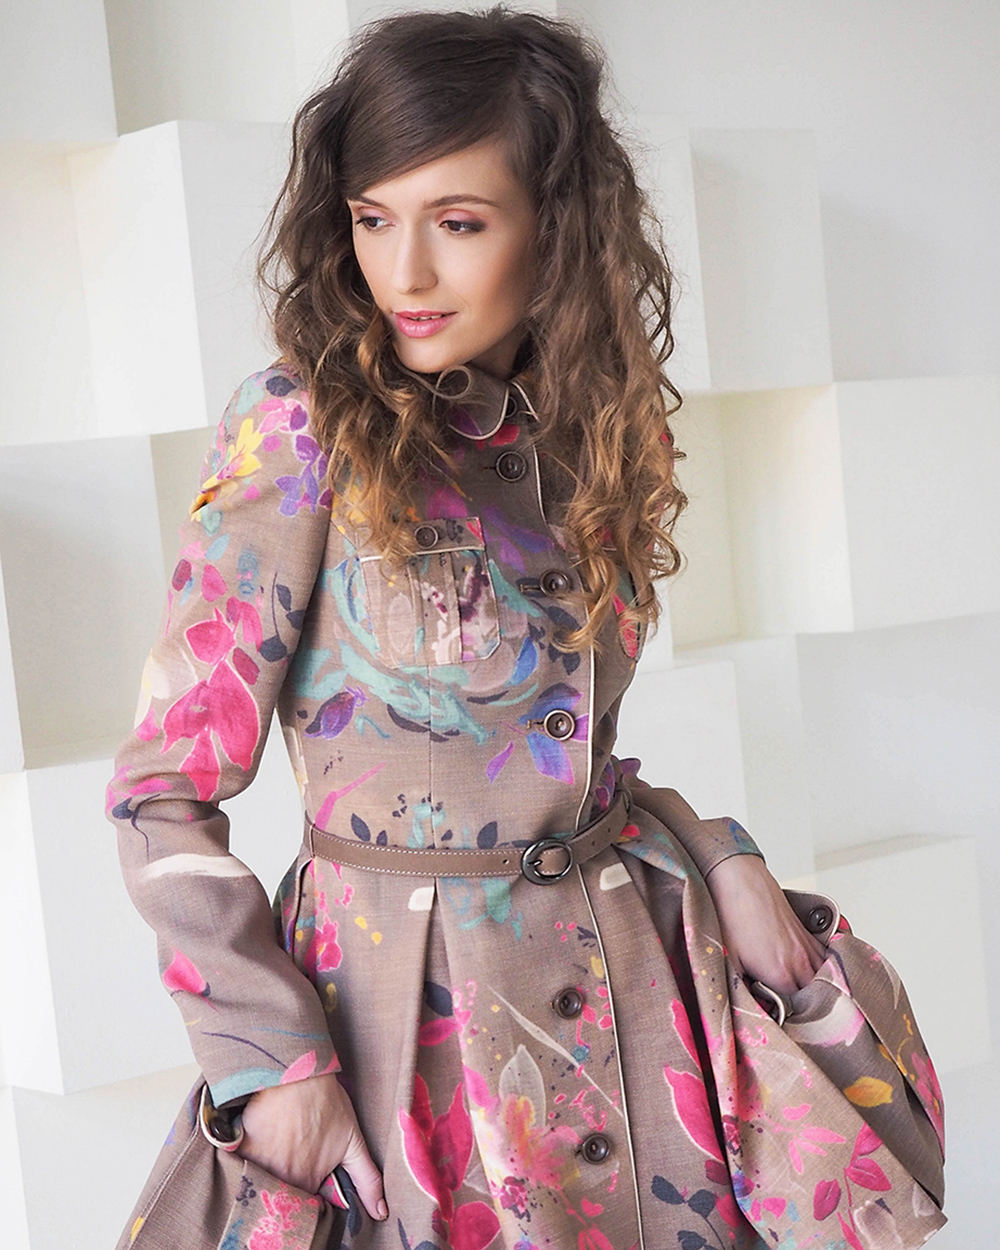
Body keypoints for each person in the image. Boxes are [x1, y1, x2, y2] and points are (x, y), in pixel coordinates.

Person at [106, 8, 945, 1249]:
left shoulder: (601, 425)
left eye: (457, 222)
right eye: (373, 218)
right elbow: (159, 788)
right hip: (410, 1049)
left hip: (638, 1003)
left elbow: (571, 752)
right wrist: (271, 1060)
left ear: (556, 223)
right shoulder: (298, 429)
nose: (404, 273)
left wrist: (718, 851)